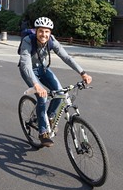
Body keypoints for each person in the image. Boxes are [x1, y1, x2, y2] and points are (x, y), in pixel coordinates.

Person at [18, 17, 92, 147]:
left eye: (47, 32)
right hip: (29, 72)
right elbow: (25, 65)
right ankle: (43, 132)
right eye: (41, 31)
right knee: (42, 97)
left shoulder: (52, 41)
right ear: (36, 31)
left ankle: (49, 117)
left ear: (50, 32)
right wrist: (36, 86)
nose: (44, 35)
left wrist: (82, 72)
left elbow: (66, 57)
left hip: (44, 69)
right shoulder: (27, 41)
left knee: (60, 93)